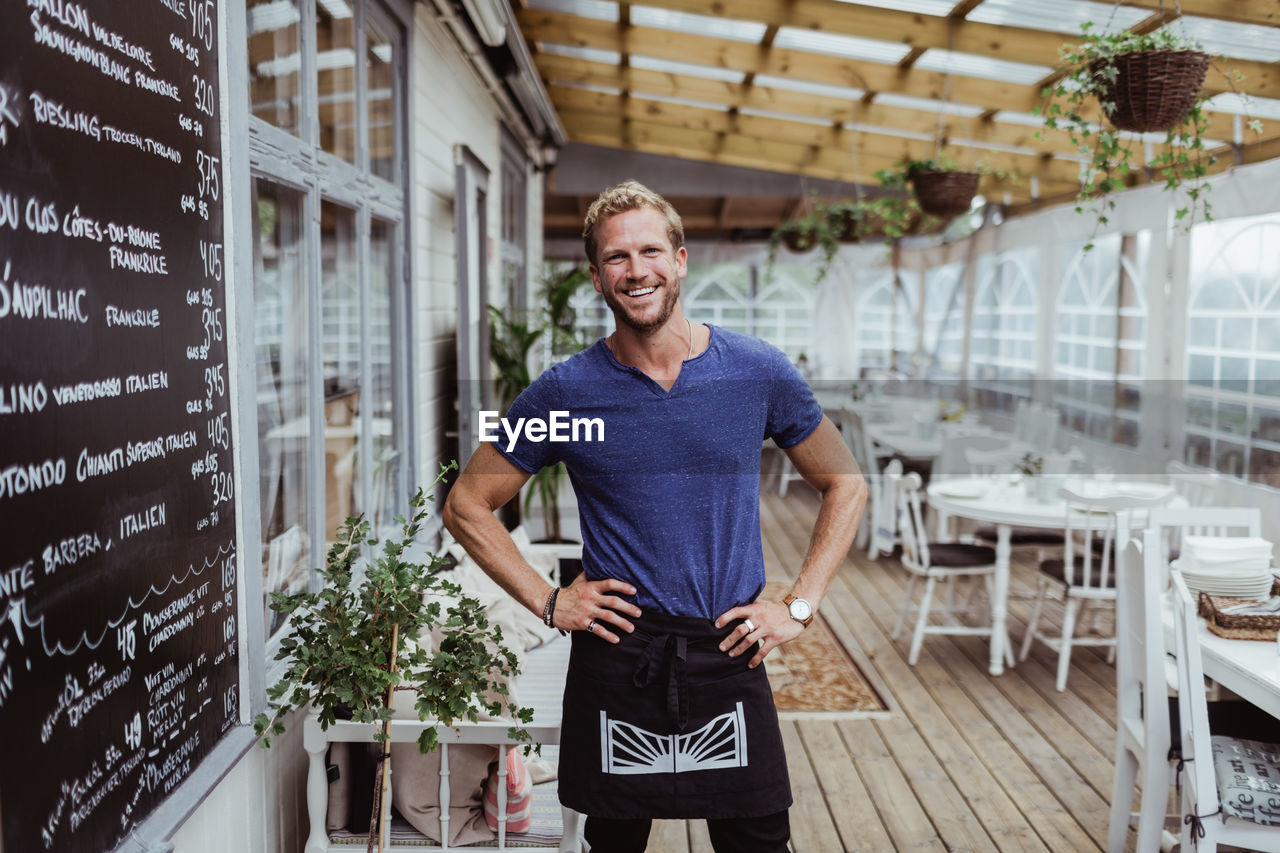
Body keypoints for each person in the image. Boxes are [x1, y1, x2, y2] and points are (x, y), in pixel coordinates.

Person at [442, 180, 865, 852]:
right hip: (620, 655)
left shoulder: (757, 370)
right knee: (612, 847)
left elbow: (845, 482)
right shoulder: (566, 390)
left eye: (649, 251)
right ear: (595, 277)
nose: (635, 270)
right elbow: (467, 503)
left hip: (731, 650)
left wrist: (800, 605)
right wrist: (549, 601)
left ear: (680, 259)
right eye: (616, 258)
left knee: (759, 844)